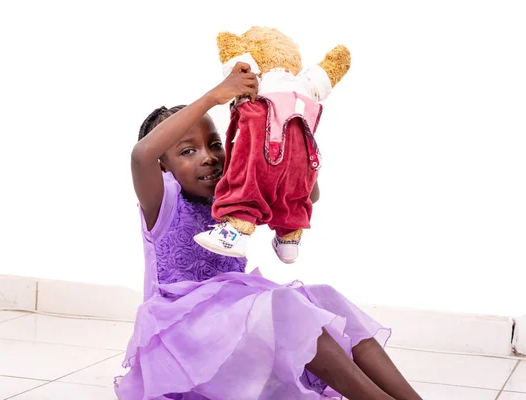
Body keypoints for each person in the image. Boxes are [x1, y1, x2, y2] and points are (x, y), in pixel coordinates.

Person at [114, 62, 422, 400]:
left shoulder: (234, 191)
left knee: (323, 298)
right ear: (164, 165)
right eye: (188, 151)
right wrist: (214, 98)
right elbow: (141, 154)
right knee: (282, 303)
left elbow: (306, 194)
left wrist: (289, 145)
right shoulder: (163, 199)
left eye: (215, 144)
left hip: (235, 321)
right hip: (183, 334)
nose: (209, 158)